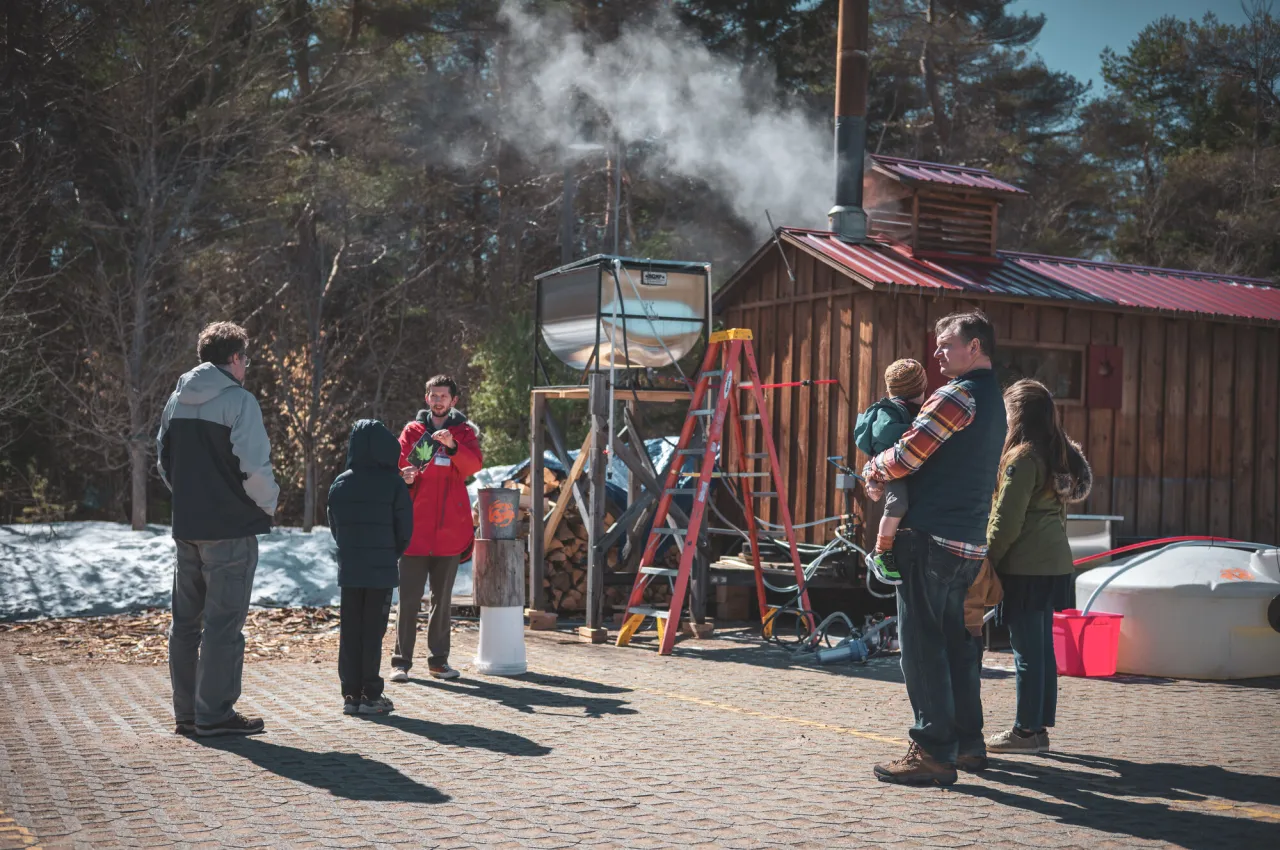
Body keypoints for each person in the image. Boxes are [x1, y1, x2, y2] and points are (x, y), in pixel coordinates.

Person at [862, 311, 1007, 785]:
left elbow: (907, 455)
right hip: (968, 541)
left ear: (976, 346)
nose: (938, 353)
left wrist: (873, 469)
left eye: (948, 344)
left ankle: (931, 751)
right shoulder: (995, 400)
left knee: (922, 648)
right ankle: (967, 744)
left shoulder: (956, 394)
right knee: (958, 646)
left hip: (930, 541)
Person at [157, 321, 279, 737]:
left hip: (187, 526)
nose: (247, 366)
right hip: (230, 527)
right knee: (224, 624)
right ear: (233, 359)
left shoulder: (175, 401)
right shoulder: (239, 401)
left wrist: (190, 497)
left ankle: (187, 714)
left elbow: (164, 462)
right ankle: (215, 715)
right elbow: (255, 467)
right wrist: (266, 505)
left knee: (186, 624)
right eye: (245, 358)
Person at [984, 379, 1091, 754]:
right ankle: (1038, 728)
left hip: (1026, 567)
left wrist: (987, 560)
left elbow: (1005, 520)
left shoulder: (1022, 458)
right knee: (1041, 650)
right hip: (1055, 564)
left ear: (1015, 413)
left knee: (1026, 651)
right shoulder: (1057, 453)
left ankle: (1026, 732)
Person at [390, 375, 483, 682]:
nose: (439, 400)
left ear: (453, 401)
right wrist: (406, 475)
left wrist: (453, 445)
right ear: (426, 398)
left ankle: (438, 662)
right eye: (434, 395)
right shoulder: (414, 431)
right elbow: (403, 467)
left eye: (444, 396)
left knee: (442, 603)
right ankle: (400, 662)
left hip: (449, 532)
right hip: (415, 531)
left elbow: (472, 468)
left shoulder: (464, 432)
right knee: (409, 601)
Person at [327, 419, 414, 716]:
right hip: (381, 569)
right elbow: (405, 529)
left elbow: (335, 527)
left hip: (350, 568)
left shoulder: (340, 482)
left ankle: (350, 694)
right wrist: (391, 553)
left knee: (350, 631)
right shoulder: (393, 483)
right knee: (372, 632)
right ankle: (371, 694)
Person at [854, 359, 928, 584]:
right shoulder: (891, 410)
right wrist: (917, 430)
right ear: (919, 388)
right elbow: (884, 433)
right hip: (893, 469)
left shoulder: (914, 409)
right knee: (897, 504)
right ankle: (881, 551)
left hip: (903, 470)